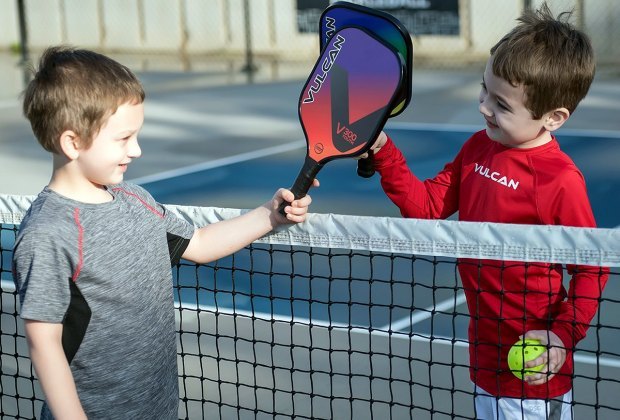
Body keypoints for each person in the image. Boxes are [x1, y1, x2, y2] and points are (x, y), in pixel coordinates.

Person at [12, 46, 317, 420]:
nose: (136, 150)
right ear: (72, 142)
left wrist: (269, 215)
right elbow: (44, 344)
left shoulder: (135, 200)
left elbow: (200, 244)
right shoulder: (49, 234)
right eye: (123, 138)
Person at [367, 3, 607, 419]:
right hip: (485, 361)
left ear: (553, 117)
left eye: (501, 104)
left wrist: (562, 337)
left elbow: (592, 268)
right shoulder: (478, 147)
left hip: (536, 373)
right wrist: (385, 152)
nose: (484, 107)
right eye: (484, 90)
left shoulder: (560, 181)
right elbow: (426, 207)